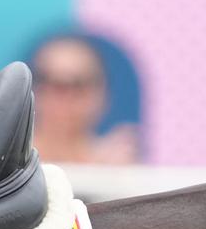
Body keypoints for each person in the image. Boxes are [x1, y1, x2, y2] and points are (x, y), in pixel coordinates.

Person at [29, 35, 138, 164]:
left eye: (78, 84)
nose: (65, 97)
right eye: (48, 80)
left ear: (101, 93)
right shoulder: (12, 162)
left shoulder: (114, 163)